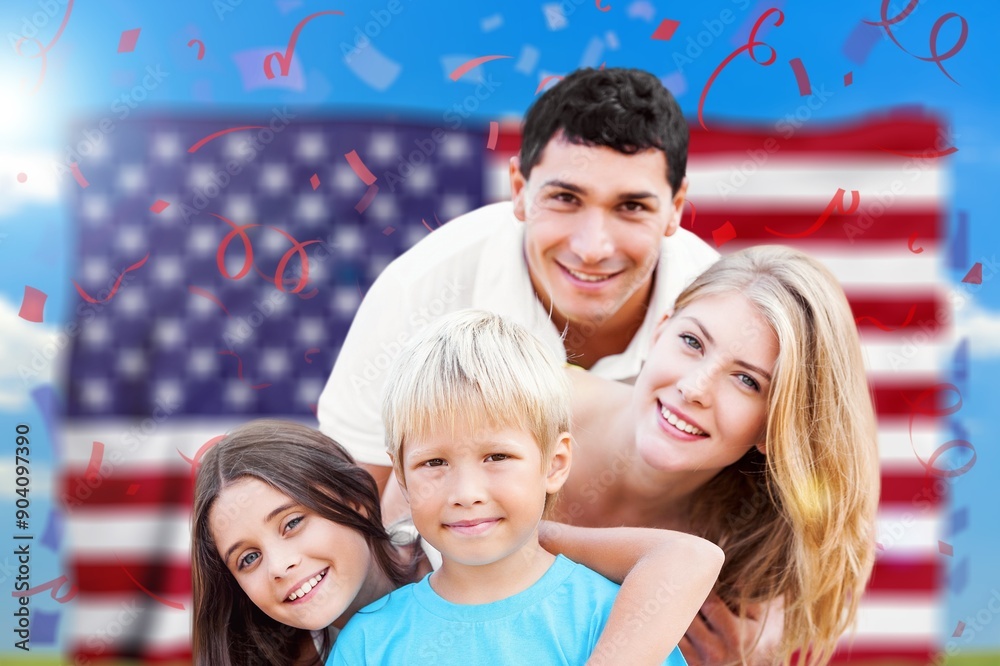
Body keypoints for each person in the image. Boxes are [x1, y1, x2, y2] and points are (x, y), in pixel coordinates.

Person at [316, 67, 718, 494]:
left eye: (631, 206)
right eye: (565, 198)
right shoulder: (421, 290)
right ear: (519, 190)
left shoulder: (722, 310)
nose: (592, 248)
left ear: (675, 207)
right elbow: (356, 500)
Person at [555, 246, 880, 666]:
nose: (694, 388)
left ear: (773, 427)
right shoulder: (511, 410)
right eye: (691, 341)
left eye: (747, 380)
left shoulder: (749, 566)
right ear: (658, 333)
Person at [328, 310, 710, 664]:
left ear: (555, 464)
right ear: (403, 479)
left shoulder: (612, 620)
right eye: (434, 463)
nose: (466, 493)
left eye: (497, 457)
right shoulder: (369, 641)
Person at [192, 418, 723, 666]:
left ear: (356, 500)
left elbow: (687, 555)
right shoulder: (325, 655)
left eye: (292, 523)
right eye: (249, 558)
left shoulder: (470, 538)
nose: (280, 565)